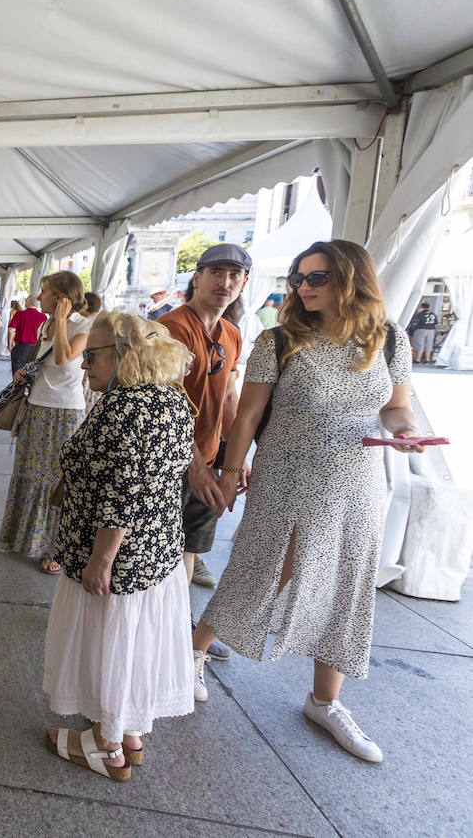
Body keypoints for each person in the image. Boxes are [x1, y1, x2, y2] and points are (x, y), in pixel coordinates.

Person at [192, 239, 425, 763]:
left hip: (360, 481)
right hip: (288, 476)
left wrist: (406, 432)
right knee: (267, 569)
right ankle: (194, 649)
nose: (303, 287)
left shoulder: (389, 340)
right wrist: (230, 472)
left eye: (316, 277)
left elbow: (396, 409)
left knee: (347, 581)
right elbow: (247, 416)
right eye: (298, 278)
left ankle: (326, 699)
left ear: (351, 277)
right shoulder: (280, 339)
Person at [43, 311, 196, 781]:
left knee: (108, 640)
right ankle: (128, 733)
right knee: (132, 642)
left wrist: (100, 560)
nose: (84, 365)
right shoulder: (169, 399)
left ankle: (107, 747)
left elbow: (123, 492)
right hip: (156, 553)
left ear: (125, 355)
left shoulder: (124, 406)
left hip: (117, 558)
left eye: (91, 355)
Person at [156, 244, 250, 603]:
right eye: (216, 273)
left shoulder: (231, 333)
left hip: (208, 459)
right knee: (155, 549)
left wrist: (237, 456)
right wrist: (195, 466)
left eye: (234, 275)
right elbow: (166, 405)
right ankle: (155, 631)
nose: (225, 282)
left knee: (189, 549)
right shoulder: (171, 328)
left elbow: (228, 396)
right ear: (197, 278)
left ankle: (178, 632)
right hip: (168, 462)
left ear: (243, 283)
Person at [0, 272, 91, 569]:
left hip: (64, 413)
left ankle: (54, 549)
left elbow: (65, 359)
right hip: (36, 406)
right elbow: (44, 363)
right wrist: (24, 372)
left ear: (62, 297)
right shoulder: (43, 324)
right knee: (27, 473)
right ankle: (24, 537)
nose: (39, 297)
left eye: (45, 291)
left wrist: (62, 321)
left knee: (55, 480)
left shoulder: (84, 326)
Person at [9, 296, 48, 376]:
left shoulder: (20, 314)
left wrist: (10, 343)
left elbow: (11, 329)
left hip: (21, 348)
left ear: (29, 302)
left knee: (17, 374)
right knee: (31, 375)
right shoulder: (43, 316)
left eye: (26, 300)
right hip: (36, 348)